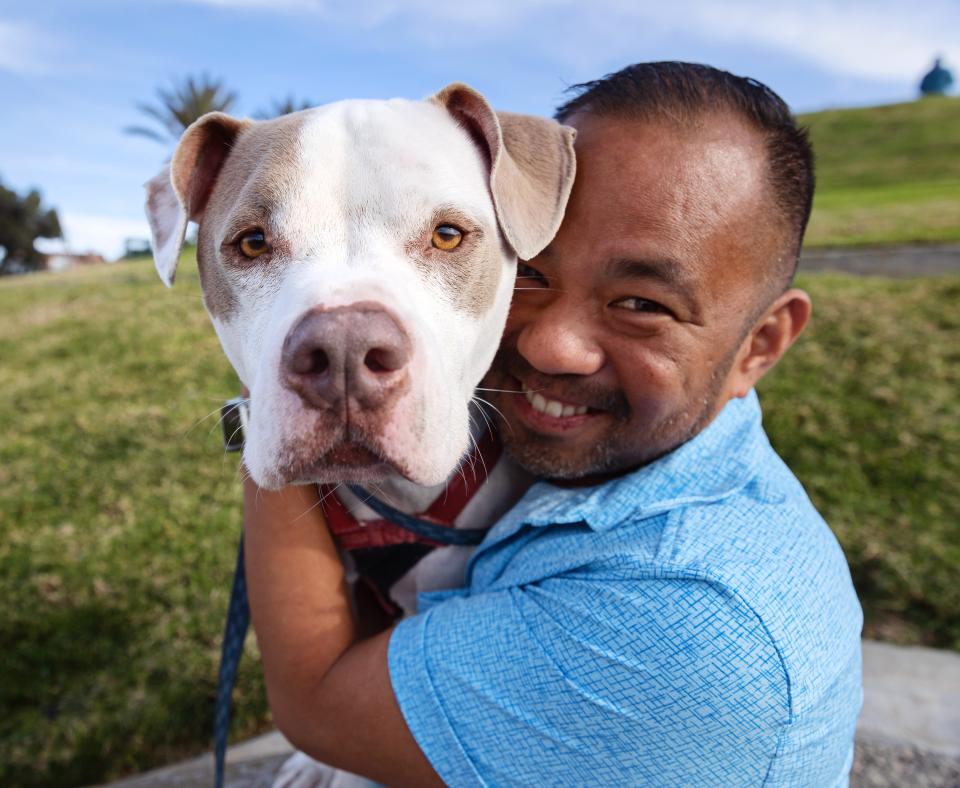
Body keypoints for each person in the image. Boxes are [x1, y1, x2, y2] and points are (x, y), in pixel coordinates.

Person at [243, 62, 863, 787]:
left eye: (642, 305)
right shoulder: (636, 452)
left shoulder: (679, 629)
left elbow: (319, 701)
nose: (549, 346)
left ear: (758, 347)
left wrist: (279, 407)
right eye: (530, 271)